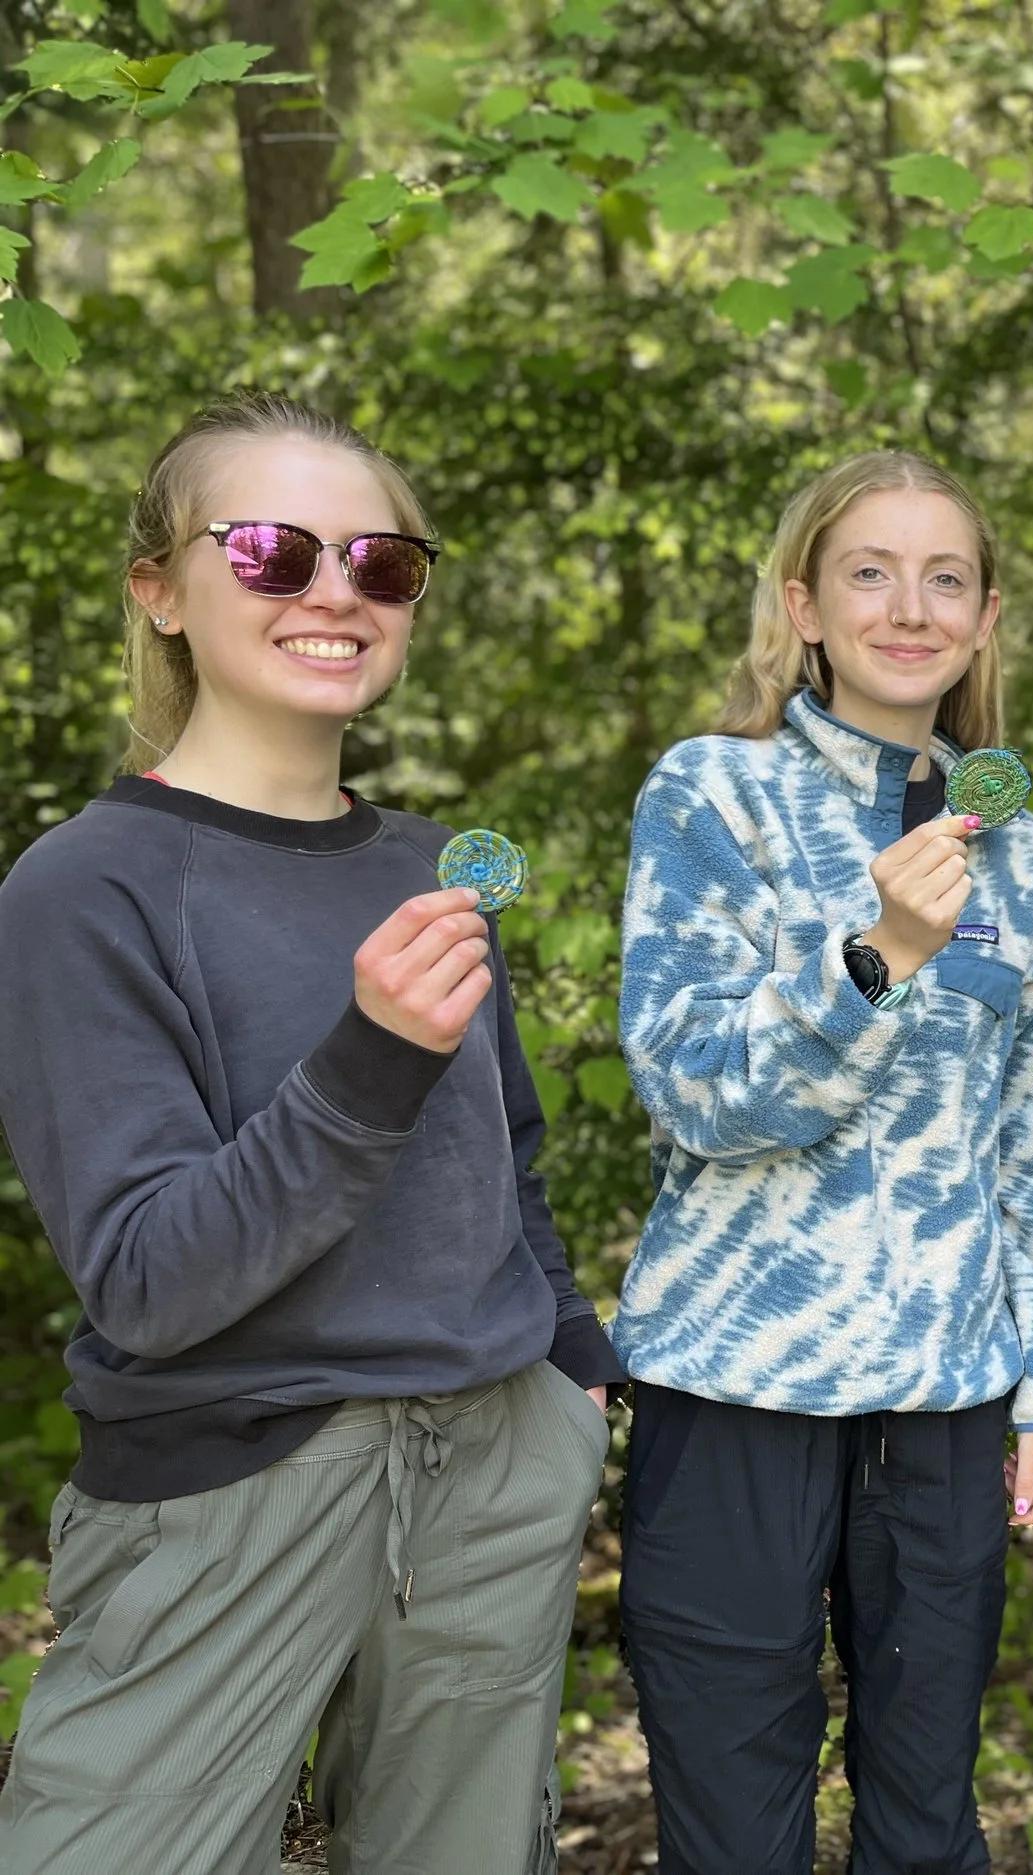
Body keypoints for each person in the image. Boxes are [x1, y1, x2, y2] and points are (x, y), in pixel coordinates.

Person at [0, 392, 624, 1875]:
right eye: (273, 549)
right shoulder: (83, 890)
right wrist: (369, 1060)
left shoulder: (425, 864)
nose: (334, 589)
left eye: (381, 562)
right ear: (160, 587)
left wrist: (574, 1374)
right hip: (229, 1487)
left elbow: (507, 1155)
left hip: (491, 1464)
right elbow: (148, 1276)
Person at [613, 449, 1033, 1875]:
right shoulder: (714, 796)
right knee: (732, 1824)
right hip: (737, 1390)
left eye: (946, 576)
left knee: (925, 1823)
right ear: (804, 604)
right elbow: (694, 1093)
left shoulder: (1029, 860)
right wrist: (875, 959)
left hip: (946, 1404)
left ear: (987, 617)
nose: (910, 604)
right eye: (870, 570)